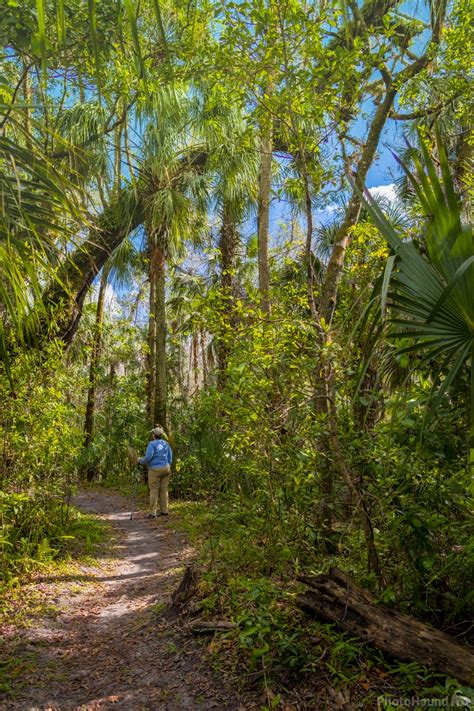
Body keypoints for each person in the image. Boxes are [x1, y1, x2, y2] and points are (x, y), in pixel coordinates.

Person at [139, 426, 173, 518]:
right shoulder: (166, 443)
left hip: (155, 469)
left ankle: (152, 513)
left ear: (154, 435)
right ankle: (164, 511)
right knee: (164, 489)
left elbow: (149, 456)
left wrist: (140, 460)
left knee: (154, 490)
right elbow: (170, 456)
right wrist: (168, 465)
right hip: (166, 468)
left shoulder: (152, 444)